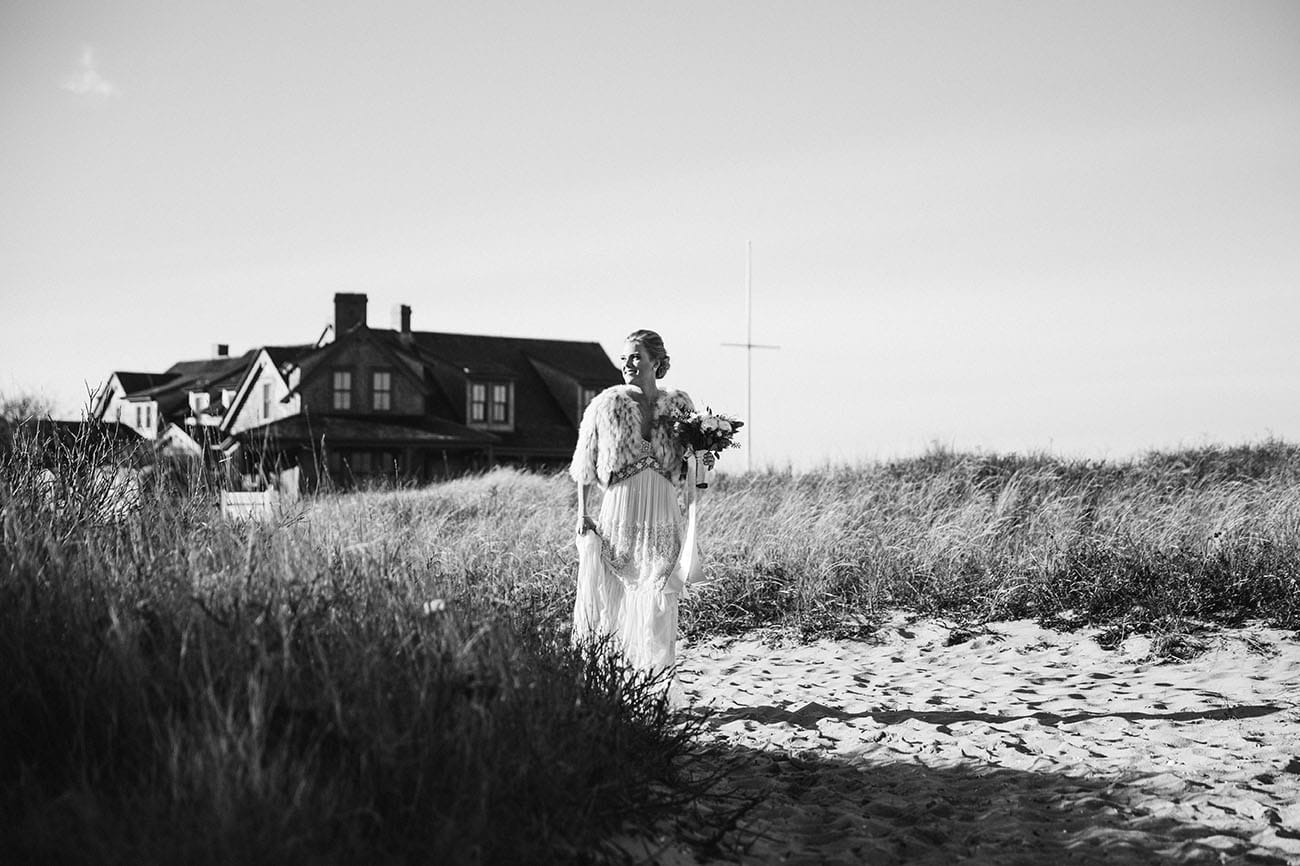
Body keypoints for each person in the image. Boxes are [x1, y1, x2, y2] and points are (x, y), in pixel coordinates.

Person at [569, 329, 698, 673]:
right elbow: (584, 463)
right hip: (621, 505)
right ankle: (620, 674)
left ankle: (658, 674)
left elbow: (691, 460)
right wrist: (583, 514)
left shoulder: (680, 405)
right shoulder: (606, 404)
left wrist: (705, 457)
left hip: (662, 505)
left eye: (636, 356)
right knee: (619, 591)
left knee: (659, 588)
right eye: (624, 357)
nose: (627, 363)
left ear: (656, 361)